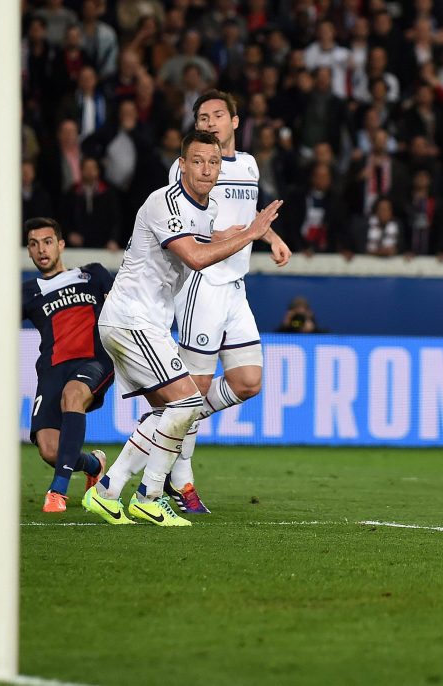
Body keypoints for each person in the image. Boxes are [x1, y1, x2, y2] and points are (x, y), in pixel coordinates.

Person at [83, 130, 282, 527]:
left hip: (147, 322)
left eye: (213, 163)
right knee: (189, 402)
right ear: (183, 164)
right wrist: (249, 235)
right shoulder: (164, 201)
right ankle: (150, 495)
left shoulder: (205, 209)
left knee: (167, 410)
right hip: (130, 319)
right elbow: (194, 256)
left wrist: (261, 232)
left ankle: (107, 491)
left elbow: (216, 235)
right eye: (197, 161)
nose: (206, 170)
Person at [158, 90, 292, 514]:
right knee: (191, 391)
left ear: (236, 121)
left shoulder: (248, 164)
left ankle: (162, 429)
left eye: (218, 115)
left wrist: (270, 236)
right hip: (201, 283)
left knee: (249, 382)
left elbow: (246, 218)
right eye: (203, 116)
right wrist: (243, 236)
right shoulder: (185, 169)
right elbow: (187, 230)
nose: (210, 122)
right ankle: (178, 477)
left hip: (236, 286)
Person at [0, 217, 114, 513]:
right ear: (29, 252)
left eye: (47, 242)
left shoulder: (93, 274)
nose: (41, 249)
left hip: (93, 359)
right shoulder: (26, 291)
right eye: (33, 244)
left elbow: (121, 311)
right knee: (50, 450)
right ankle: (94, 465)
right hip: (52, 370)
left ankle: (58, 491)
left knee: (73, 396)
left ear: (60, 245)